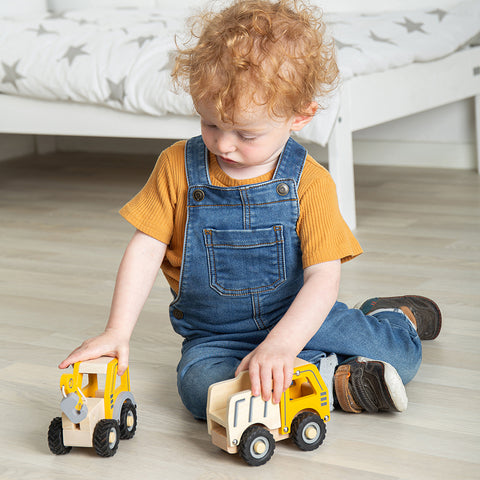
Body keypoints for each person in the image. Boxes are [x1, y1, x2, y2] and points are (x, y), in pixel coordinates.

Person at [59, 0, 442, 420]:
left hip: (304, 319)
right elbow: (145, 248)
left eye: (246, 133)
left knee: (403, 360)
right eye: (211, 124)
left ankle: (392, 317)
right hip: (217, 338)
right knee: (198, 390)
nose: (223, 144)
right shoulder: (176, 167)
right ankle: (335, 380)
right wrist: (118, 330)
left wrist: (282, 344)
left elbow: (322, 277)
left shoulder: (310, 182)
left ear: (300, 116)